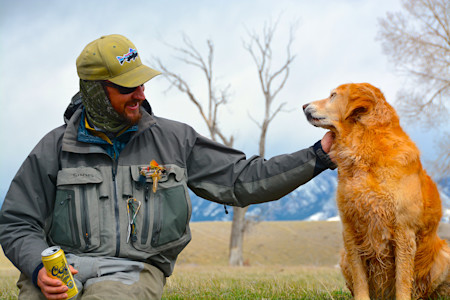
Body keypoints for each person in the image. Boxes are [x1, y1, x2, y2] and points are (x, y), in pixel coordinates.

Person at [0, 34, 336, 300]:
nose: (139, 94)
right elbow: (17, 221)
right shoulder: (53, 148)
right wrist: (36, 267)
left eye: (141, 84)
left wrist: (317, 156)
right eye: (126, 87)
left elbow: (241, 179)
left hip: (130, 272)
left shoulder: (175, 139)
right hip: (61, 274)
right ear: (94, 91)